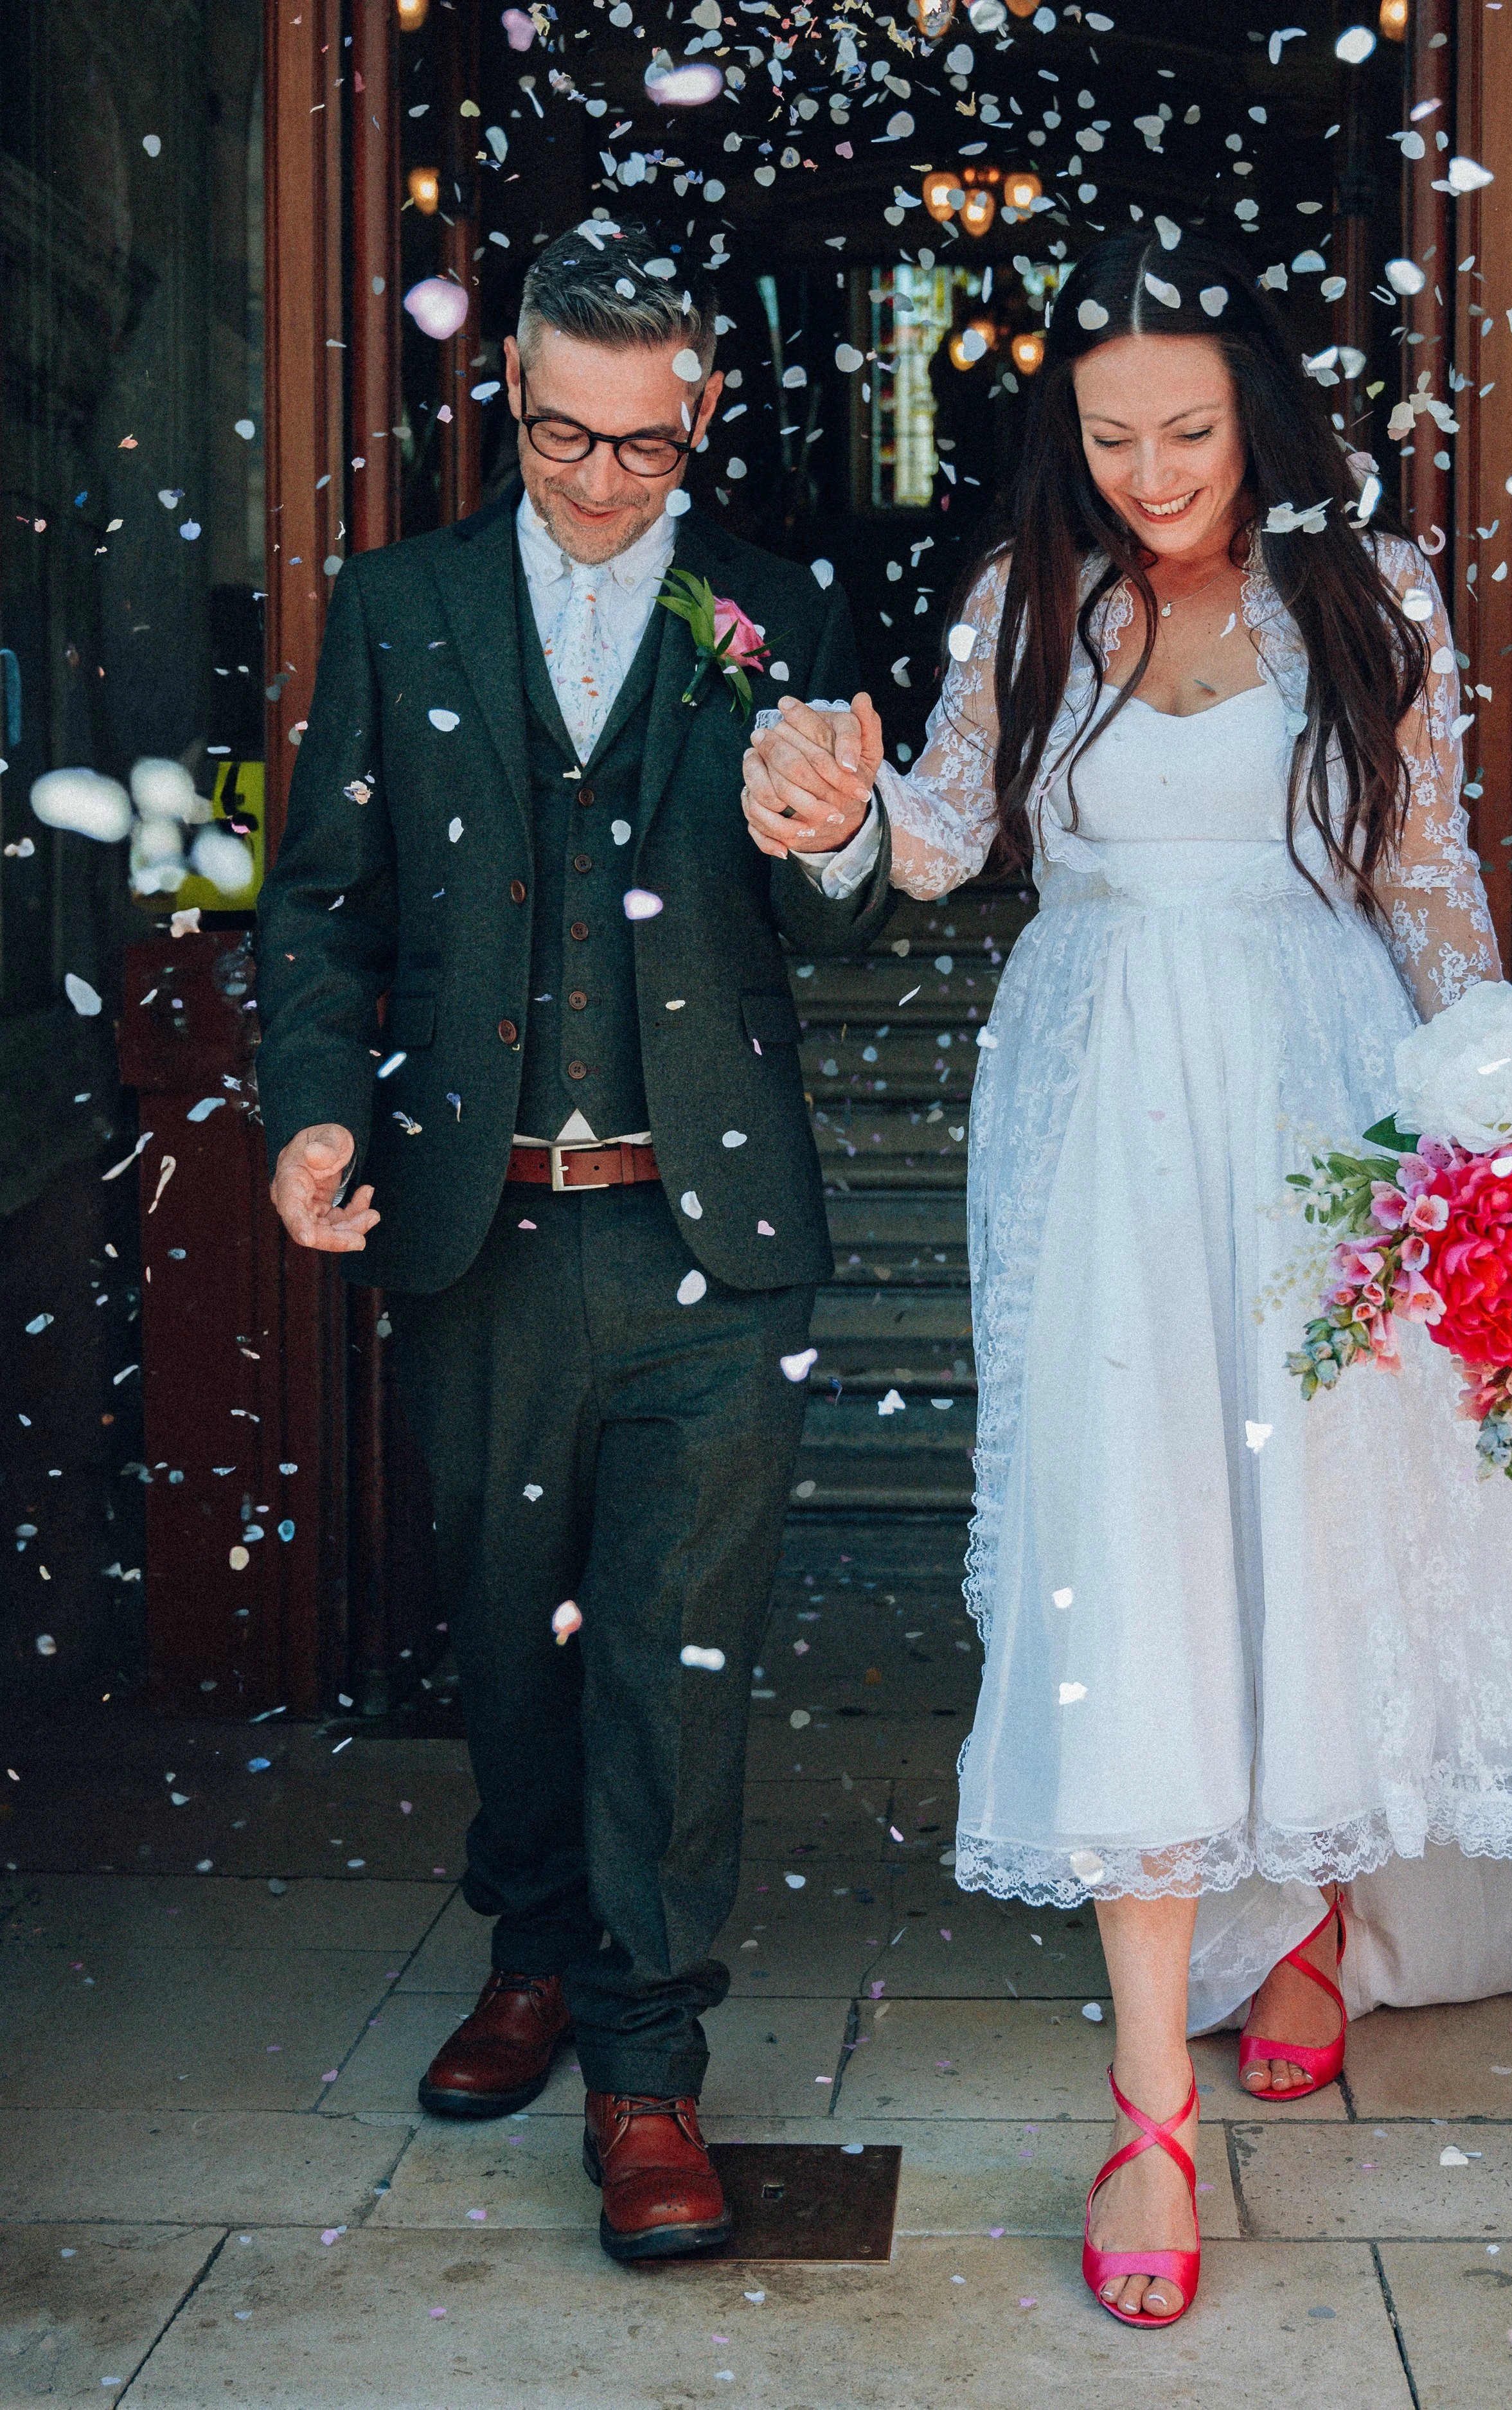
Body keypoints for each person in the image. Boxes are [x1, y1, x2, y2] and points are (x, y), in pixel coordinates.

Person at [742, 229, 1512, 2328]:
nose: (1148, 474)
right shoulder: (1026, 595)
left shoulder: (1369, 592)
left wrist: (1504, 1139)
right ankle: (1147, 2105)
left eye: (1189, 432)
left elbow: (1424, 880)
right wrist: (836, 809)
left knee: (1324, 1527)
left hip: (1326, 1105)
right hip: (1102, 1120)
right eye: (1111, 434)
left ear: (1260, 413)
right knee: (1125, 1553)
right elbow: (937, 839)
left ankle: (1310, 1915)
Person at [255, 220, 891, 2263]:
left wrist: (839, 836)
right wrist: (314, 1108)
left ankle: (643, 2058)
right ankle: (531, 1941)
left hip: (715, 1234)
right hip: (485, 1227)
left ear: (701, 413)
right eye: (562, 437)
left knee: (669, 1661)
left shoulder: (779, 608)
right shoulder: (404, 606)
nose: (605, 483)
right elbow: (323, 904)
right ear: (509, 396)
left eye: (645, 445)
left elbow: (840, 906)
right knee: (507, 1631)